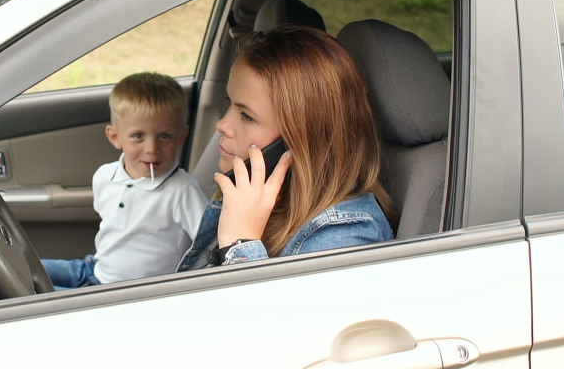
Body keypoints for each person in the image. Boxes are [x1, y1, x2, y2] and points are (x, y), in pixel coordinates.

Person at [178, 25, 397, 271]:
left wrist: (239, 245)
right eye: (230, 104)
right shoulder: (252, 198)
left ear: (298, 141)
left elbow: (266, 311)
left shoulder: (343, 236)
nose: (222, 124)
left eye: (247, 116)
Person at [42, 72, 209, 288]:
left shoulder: (183, 191)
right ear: (115, 137)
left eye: (165, 136)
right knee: (24, 271)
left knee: (26, 296)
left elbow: (209, 246)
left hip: (126, 293)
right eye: (138, 136)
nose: (152, 149)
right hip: (93, 269)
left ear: (181, 137)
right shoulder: (104, 176)